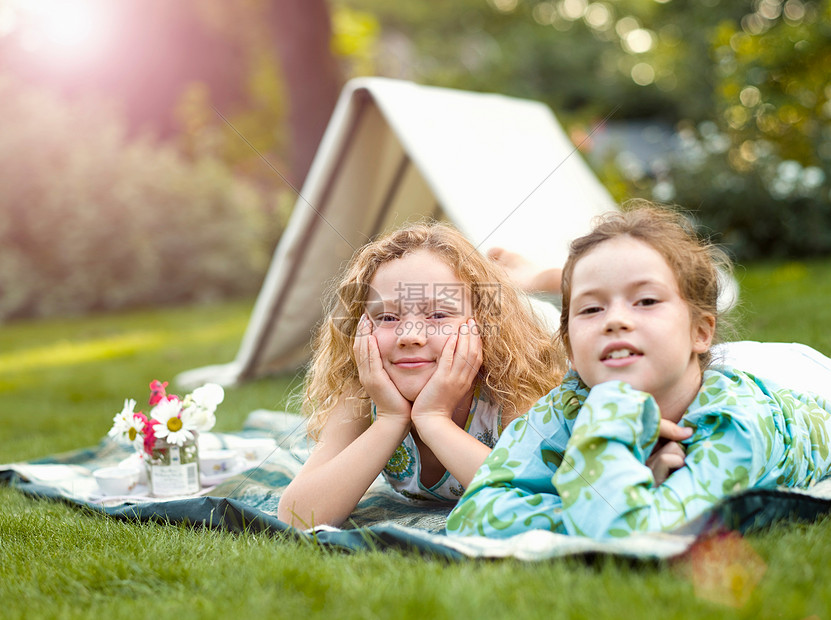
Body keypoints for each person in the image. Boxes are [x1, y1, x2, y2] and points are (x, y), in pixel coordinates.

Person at [445, 203, 831, 539]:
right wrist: (595, 502)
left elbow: (632, 533)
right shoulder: (569, 400)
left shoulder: (736, 424)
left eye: (645, 300)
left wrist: (607, 420)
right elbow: (473, 515)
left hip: (802, 379)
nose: (614, 320)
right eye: (591, 309)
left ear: (700, 331)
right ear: (571, 352)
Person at [277, 222, 565, 528]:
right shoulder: (363, 393)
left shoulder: (510, 386)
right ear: (361, 329)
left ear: (480, 323)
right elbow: (297, 516)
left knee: (578, 292)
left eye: (438, 314)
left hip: (548, 326)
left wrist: (433, 418)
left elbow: (534, 500)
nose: (410, 336)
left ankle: (531, 277)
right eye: (388, 317)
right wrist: (389, 419)